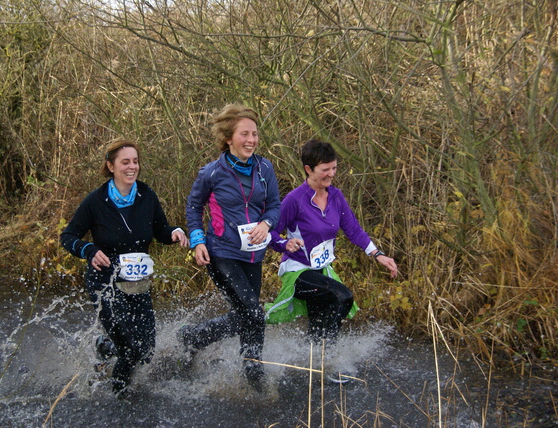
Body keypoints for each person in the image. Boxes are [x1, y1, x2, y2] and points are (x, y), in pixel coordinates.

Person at [60, 139, 189, 398]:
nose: (132, 167)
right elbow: (68, 236)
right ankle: (120, 392)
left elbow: (160, 229)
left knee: (146, 350)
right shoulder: (96, 201)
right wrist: (89, 250)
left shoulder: (146, 195)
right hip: (105, 284)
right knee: (130, 349)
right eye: (125, 162)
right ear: (111, 166)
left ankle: (105, 347)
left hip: (137, 283)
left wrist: (174, 232)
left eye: (135, 161)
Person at [179, 103, 281, 390]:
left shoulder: (265, 168)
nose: (251, 140)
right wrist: (198, 240)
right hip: (221, 253)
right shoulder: (212, 173)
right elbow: (193, 207)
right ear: (228, 138)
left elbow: (274, 205)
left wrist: (267, 224)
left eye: (255, 134)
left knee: (247, 314)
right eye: (244, 134)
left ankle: (196, 338)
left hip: (254, 254)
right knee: (253, 312)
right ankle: (255, 373)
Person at [266, 139, 398, 356]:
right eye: (325, 169)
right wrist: (285, 243)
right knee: (342, 296)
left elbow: (354, 230)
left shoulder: (336, 197)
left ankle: (313, 361)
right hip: (298, 272)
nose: (331, 174)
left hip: (323, 272)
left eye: (334, 168)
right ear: (308, 169)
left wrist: (378, 255)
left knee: (323, 317)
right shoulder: (294, 200)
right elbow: (270, 233)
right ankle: (325, 356)